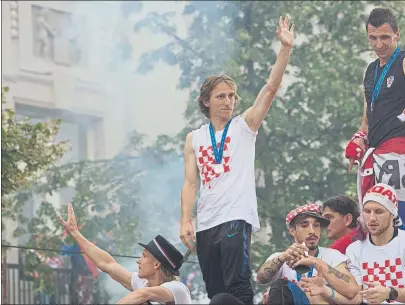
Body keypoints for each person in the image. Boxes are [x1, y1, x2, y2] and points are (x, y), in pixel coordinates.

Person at [179, 15, 294, 304]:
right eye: (221, 96)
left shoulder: (244, 127)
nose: (229, 101)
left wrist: (285, 49)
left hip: (235, 216)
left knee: (238, 286)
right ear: (206, 101)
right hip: (206, 222)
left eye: (232, 96)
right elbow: (191, 184)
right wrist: (185, 220)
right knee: (215, 290)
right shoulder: (194, 138)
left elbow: (269, 89)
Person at [58, 203, 191, 304]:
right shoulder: (144, 284)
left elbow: (143, 294)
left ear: (156, 264)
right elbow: (107, 264)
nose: (138, 261)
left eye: (144, 256)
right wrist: (75, 233)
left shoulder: (176, 288)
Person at [344, 8, 405, 231]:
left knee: (401, 218)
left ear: (397, 34)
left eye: (385, 37)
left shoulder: (403, 61)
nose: (379, 45)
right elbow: (367, 120)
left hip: (401, 153)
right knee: (379, 224)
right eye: (373, 38)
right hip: (378, 156)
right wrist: (359, 138)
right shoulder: (370, 71)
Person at [256, 203, 361, 304]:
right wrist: (282, 258)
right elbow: (260, 279)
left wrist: (315, 262)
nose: (312, 231)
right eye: (304, 225)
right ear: (292, 231)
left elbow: (352, 291)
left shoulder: (333, 256)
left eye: (316, 225)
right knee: (280, 287)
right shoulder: (280, 257)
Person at [346, 183, 405, 304]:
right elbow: (355, 293)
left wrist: (390, 293)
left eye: (379, 211)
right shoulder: (354, 250)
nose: (372, 218)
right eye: (367, 211)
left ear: (393, 214)